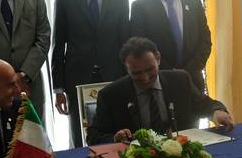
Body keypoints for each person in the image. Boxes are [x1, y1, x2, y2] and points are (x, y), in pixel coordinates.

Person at [51, 0, 129, 148]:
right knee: (79, 136)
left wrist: (130, 77)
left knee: (115, 132)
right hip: (77, 77)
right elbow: (58, 44)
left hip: (113, 75)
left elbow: (125, 40)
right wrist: (58, 88)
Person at [87, 37, 233, 145]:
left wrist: (217, 112)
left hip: (182, 155)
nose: (145, 78)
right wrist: (114, 138)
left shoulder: (180, 80)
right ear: (126, 68)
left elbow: (205, 104)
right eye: (136, 73)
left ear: (158, 58)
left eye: (150, 70)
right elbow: (93, 136)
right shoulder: (110, 95)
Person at [130, 0, 211, 92]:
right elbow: (141, 46)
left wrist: (190, 70)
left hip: (193, 81)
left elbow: (205, 41)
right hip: (158, 81)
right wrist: (169, 71)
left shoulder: (194, 2)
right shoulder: (140, 7)